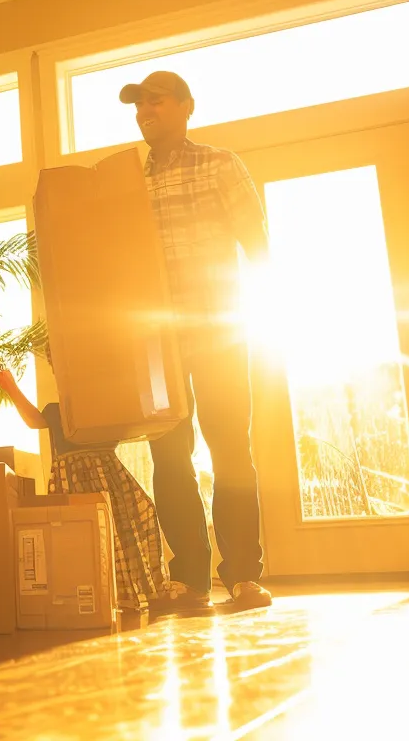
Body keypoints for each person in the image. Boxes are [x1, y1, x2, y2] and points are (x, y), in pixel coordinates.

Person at [119, 71, 272, 614]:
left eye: (155, 101)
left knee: (231, 446)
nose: (144, 111)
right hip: (157, 339)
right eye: (138, 105)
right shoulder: (129, 181)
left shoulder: (219, 164)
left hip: (219, 327)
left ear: (187, 107)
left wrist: (269, 308)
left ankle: (244, 577)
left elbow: (257, 239)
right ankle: (188, 578)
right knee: (169, 455)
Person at [0, 366, 167, 614]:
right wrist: (11, 388)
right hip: (78, 475)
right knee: (81, 533)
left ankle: (124, 592)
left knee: (119, 526)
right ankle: (85, 593)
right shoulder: (60, 409)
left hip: (103, 472)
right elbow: (34, 420)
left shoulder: (102, 405)